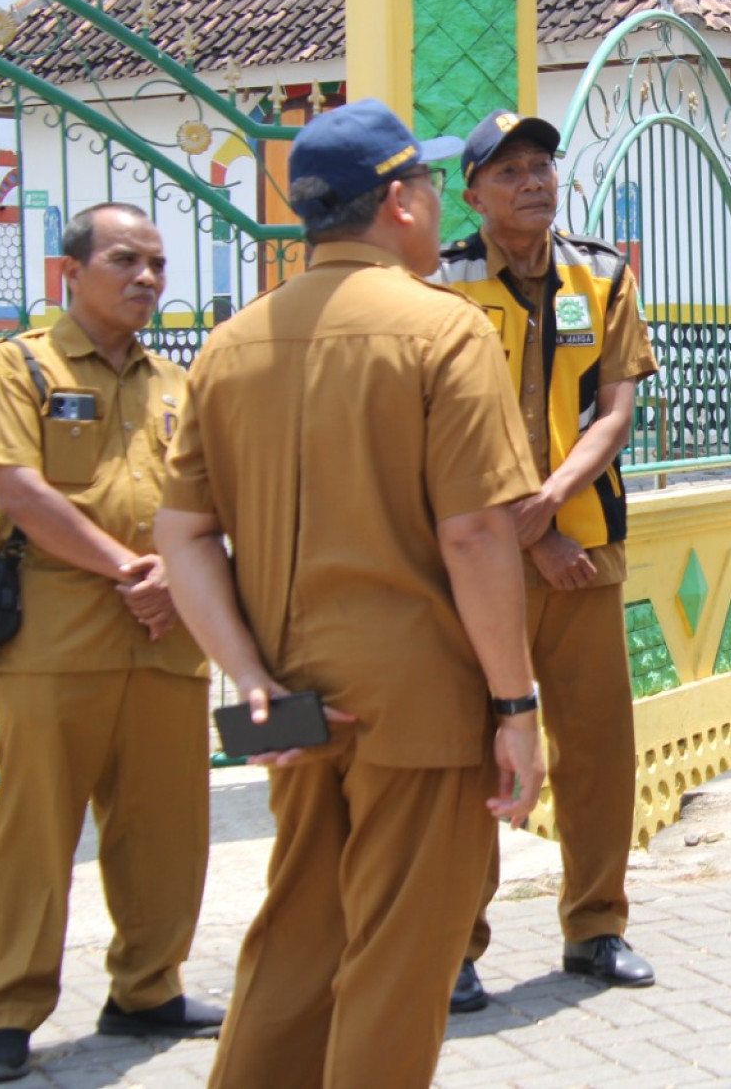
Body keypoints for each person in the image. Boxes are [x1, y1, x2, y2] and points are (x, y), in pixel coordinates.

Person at [154, 99, 546, 1089]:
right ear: (401, 201)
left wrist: (245, 678)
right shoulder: (443, 331)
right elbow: (472, 532)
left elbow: (183, 533)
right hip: (418, 700)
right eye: (425, 182)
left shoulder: (231, 341)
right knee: (398, 954)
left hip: (284, 698)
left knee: (296, 933)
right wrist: (514, 704)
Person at [0, 202, 220, 1084]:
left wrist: (171, 583)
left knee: (167, 832)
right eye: (125, 261)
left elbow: (212, 502)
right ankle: (6, 1014)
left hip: (166, 641)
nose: (146, 278)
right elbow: (21, 493)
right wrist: (130, 570)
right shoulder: (18, 366)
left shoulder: (181, 385)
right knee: (35, 836)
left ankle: (148, 989)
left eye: (157, 264)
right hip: (56, 638)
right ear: (69, 272)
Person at [437, 109, 659, 1006]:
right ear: (473, 192)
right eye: (511, 170)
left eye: (543, 165)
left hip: (584, 557)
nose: (534, 181)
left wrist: (553, 503)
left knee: (599, 749)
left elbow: (614, 410)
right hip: (476, 563)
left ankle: (597, 927)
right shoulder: (438, 281)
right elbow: (431, 425)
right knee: (469, 752)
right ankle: (455, 940)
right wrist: (528, 530)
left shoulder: (601, 274)